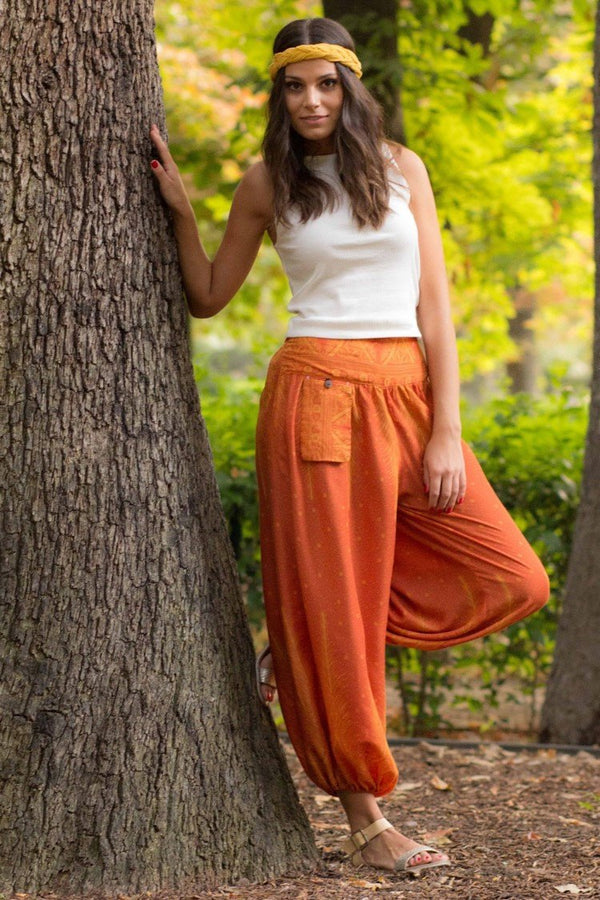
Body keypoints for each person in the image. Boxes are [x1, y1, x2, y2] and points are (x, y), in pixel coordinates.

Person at [150, 16, 549, 875]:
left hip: (406, 390)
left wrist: (446, 428)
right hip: (316, 397)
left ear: (350, 86)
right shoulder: (267, 183)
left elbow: (434, 311)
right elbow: (210, 294)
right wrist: (183, 210)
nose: (311, 100)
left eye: (325, 83)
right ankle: (369, 824)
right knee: (335, 607)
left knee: (514, 575)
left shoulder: (404, 169)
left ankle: (306, 640)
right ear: (278, 96)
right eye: (294, 86)